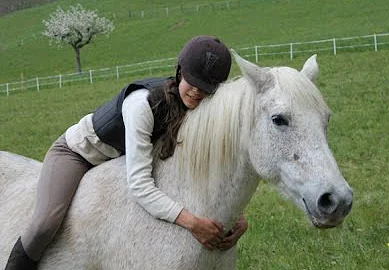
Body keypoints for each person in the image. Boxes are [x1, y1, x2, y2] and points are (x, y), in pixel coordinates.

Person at [5, 35, 248, 270]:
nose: (196, 92)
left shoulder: (199, 109)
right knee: (45, 223)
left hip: (120, 162)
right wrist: (192, 223)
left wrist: (233, 217)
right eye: (192, 82)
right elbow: (140, 185)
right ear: (179, 71)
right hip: (79, 155)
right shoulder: (142, 105)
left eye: (205, 88)